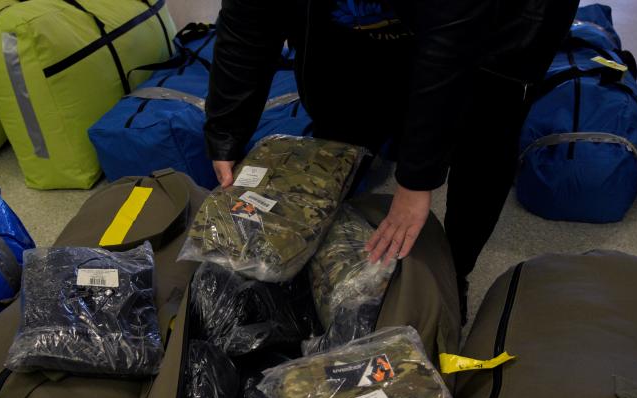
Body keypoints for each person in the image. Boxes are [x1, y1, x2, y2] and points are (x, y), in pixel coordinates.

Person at [204, 0, 578, 319]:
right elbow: (247, 22)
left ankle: (452, 275)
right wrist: (226, 129)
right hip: (384, 23)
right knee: (346, 114)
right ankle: (329, 266)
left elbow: (447, 49)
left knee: (483, 132)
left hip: (506, 21)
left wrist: (416, 181)